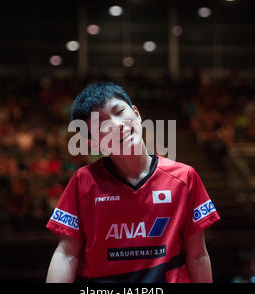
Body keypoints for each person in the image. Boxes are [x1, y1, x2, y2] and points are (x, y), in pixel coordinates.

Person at [45, 82, 220, 283]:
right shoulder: (83, 182)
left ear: (136, 113)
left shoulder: (184, 178)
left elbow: (197, 255)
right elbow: (67, 254)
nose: (117, 125)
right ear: (92, 142)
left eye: (119, 111)